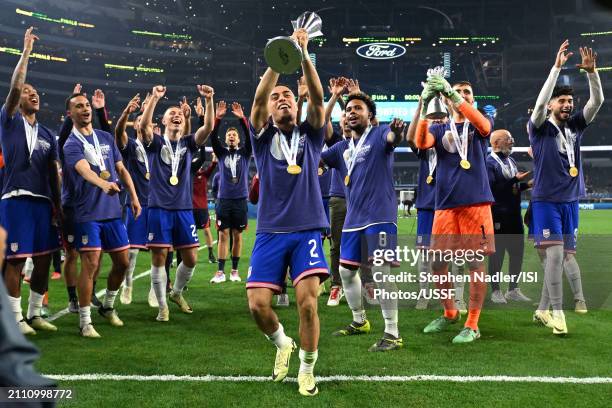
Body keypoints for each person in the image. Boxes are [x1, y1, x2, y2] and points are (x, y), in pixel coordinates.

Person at [247, 28, 329, 396]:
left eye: (287, 97)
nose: (281, 100)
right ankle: (283, 343)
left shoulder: (311, 135)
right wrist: (278, 62)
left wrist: (304, 53)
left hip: (307, 228)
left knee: (308, 306)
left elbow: (318, 96)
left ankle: (307, 370)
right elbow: (259, 98)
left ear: (296, 106)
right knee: (258, 306)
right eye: (276, 97)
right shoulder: (262, 138)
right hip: (269, 231)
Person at [322, 91, 404, 352]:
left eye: (358, 108)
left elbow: (393, 138)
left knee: (381, 272)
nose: (351, 113)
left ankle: (392, 332)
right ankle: (359, 321)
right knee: (346, 271)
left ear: (370, 115)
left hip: (379, 215)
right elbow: (318, 162)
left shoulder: (379, 135)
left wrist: (396, 133)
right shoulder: (341, 147)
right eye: (348, 110)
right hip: (353, 219)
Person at [414, 74, 494, 344]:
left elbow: (484, 125)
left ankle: (473, 323)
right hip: (445, 206)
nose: (463, 94)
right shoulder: (439, 129)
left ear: (473, 99)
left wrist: (452, 93)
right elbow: (420, 142)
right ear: (446, 102)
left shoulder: (478, 126)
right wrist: (426, 105)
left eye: (467, 92)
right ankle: (450, 312)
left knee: (475, 262)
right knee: (437, 262)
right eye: (458, 91)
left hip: (475, 203)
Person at [529, 42, 603, 335]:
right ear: (550, 105)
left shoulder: (575, 127)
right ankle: (559, 314)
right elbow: (537, 106)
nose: (568, 105)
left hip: (570, 202)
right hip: (546, 200)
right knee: (556, 256)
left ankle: (543, 309)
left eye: (569, 101)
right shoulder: (539, 127)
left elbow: (596, 103)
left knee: (560, 259)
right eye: (561, 101)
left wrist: (592, 74)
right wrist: (556, 68)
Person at [63, 90, 141, 338]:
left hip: (112, 212)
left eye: (87, 106)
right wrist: (103, 184)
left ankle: (107, 306)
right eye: (79, 106)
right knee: (91, 263)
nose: (85, 109)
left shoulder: (105, 137)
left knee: (123, 263)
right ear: (70, 113)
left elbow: (121, 169)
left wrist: (135, 198)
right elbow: (84, 170)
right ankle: (85, 322)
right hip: (87, 213)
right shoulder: (71, 144)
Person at [0, 27, 62, 335]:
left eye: (35, 92)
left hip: (43, 202)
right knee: (15, 259)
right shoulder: (8, 121)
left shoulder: (49, 134)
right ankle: (14, 318)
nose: (32, 93)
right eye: (27, 91)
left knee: (42, 261)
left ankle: (35, 313)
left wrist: (59, 208)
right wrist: (26, 52)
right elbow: (14, 90)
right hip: (15, 198)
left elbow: (53, 173)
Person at [139, 84, 215, 321]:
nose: (177, 116)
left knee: (191, 258)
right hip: (159, 208)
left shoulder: (189, 143)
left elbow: (209, 127)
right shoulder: (155, 143)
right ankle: (163, 307)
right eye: (172, 114)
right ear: (162, 121)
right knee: (159, 258)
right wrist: (154, 98)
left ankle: (176, 292)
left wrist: (210, 100)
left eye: (179, 115)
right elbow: (142, 126)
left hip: (183, 209)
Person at [486, 129, 532, 303]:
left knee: (517, 252)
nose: (512, 141)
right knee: (497, 254)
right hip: (498, 216)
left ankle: (513, 289)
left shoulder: (511, 160)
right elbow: (492, 191)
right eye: (508, 139)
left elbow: (511, 189)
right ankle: (496, 291)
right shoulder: (489, 163)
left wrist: (526, 185)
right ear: (496, 143)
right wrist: (514, 180)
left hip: (514, 215)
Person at [209, 101, 251, 283]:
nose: (232, 136)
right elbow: (212, 137)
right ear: (226, 140)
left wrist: (242, 119)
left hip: (240, 200)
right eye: (229, 135)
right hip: (224, 200)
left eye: (234, 134)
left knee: (237, 235)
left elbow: (251, 136)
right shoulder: (221, 153)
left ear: (238, 139)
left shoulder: (245, 152)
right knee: (223, 235)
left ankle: (234, 270)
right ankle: (220, 272)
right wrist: (217, 119)